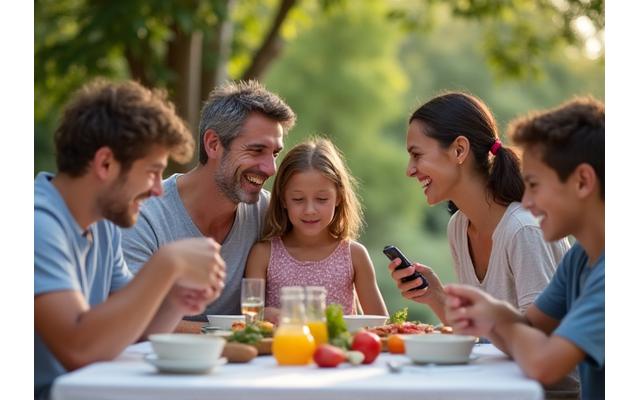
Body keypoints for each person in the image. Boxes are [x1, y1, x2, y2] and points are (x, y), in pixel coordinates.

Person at [35, 79, 226, 399]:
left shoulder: (103, 226)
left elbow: (133, 331)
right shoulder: (37, 226)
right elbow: (79, 347)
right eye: (152, 171)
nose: (157, 189)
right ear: (105, 163)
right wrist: (168, 262)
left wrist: (176, 301)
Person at [444, 97, 604, 400]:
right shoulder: (580, 258)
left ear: (582, 181)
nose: (526, 202)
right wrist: (493, 313)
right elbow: (530, 327)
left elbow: (543, 363)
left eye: (534, 184)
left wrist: (498, 319)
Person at [121, 80, 296, 331]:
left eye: (275, 154)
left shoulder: (268, 214)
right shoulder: (145, 217)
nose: (271, 168)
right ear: (213, 144)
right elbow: (134, 322)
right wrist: (239, 333)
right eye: (257, 150)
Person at [387, 92, 570, 322]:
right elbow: (480, 336)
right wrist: (435, 296)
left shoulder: (523, 230)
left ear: (459, 150)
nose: (409, 170)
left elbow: (540, 341)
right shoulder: (459, 227)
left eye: (417, 155)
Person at [245, 138, 388, 318]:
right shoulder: (263, 254)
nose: (310, 210)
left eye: (321, 199)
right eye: (298, 199)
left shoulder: (354, 255)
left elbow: (381, 324)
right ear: (283, 199)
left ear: (339, 198)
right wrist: (267, 314)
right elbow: (250, 318)